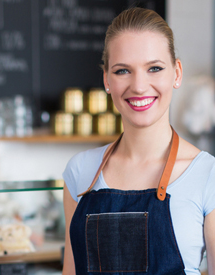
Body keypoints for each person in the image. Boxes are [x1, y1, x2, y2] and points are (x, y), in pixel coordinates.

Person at [62, 7, 215, 275]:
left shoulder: (207, 175)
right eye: (123, 71)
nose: (140, 86)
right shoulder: (79, 171)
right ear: (107, 80)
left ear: (177, 73)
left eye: (154, 68)